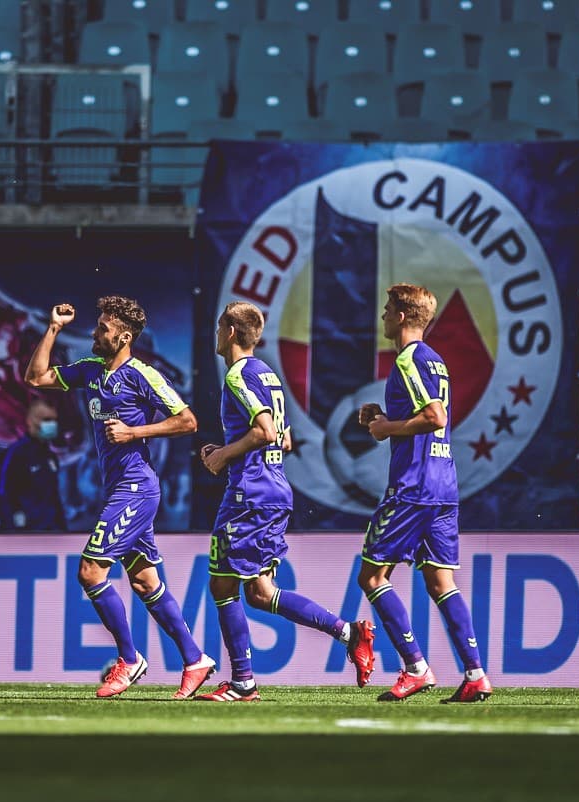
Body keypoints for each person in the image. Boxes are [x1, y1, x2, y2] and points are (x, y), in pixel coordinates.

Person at [25, 296, 215, 699]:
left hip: (136, 488)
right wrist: (54, 327)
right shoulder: (91, 369)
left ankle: (129, 659)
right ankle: (195, 658)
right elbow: (37, 378)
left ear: (124, 337)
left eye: (104, 329)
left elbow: (187, 421)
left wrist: (134, 432)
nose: (96, 333)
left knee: (90, 572)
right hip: (119, 489)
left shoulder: (142, 374)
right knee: (145, 582)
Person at [195, 302, 376, 702]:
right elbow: (285, 438)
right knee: (258, 592)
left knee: (224, 585)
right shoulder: (268, 374)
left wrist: (223, 456)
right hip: (272, 489)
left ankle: (243, 683)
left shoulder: (238, 375)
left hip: (250, 494)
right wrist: (230, 450)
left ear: (229, 332)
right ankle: (349, 633)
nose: (216, 335)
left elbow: (264, 431)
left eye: (219, 328)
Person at [357, 284, 491, 703]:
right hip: (443, 484)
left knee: (372, 577)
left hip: (413, 486)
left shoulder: (408, 358)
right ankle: (475, 674)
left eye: (386, 310)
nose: (382, 316)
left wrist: (386, 428)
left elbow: (434, 416)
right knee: (440, 581)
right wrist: (384, 417)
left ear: (400, 317)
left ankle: (416, 668)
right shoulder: (436, 360)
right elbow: (427, 414)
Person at [0, 398, 67, 531]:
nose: (52, 424)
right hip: (25, 532)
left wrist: (62, 527)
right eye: (46, 420)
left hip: (51, 531)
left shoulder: (50, 456)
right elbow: (4, 494)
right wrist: (14, 528)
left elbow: (54, 497)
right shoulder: (15, 454)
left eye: (54, 420)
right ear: (30, 421)